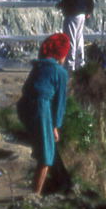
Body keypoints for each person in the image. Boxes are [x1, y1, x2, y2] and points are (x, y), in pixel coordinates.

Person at [17, 33, 71, 195]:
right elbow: (60, 103)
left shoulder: (38, 66)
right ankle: (35, 195)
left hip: (24, 106)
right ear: (62, 54)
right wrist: (55, 126)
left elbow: (26, 88)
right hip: (41, 107)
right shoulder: (60, 73)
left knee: (42, 144)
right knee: (47, 155)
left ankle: (46, 185)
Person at [56, 0, 94, 71]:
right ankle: (80, 63)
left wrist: (59, 5)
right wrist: (89, 11)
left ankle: (70, 65)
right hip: (82, 15)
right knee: (79, 39)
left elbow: (66, 1)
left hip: (72, 15)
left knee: (70, 40)